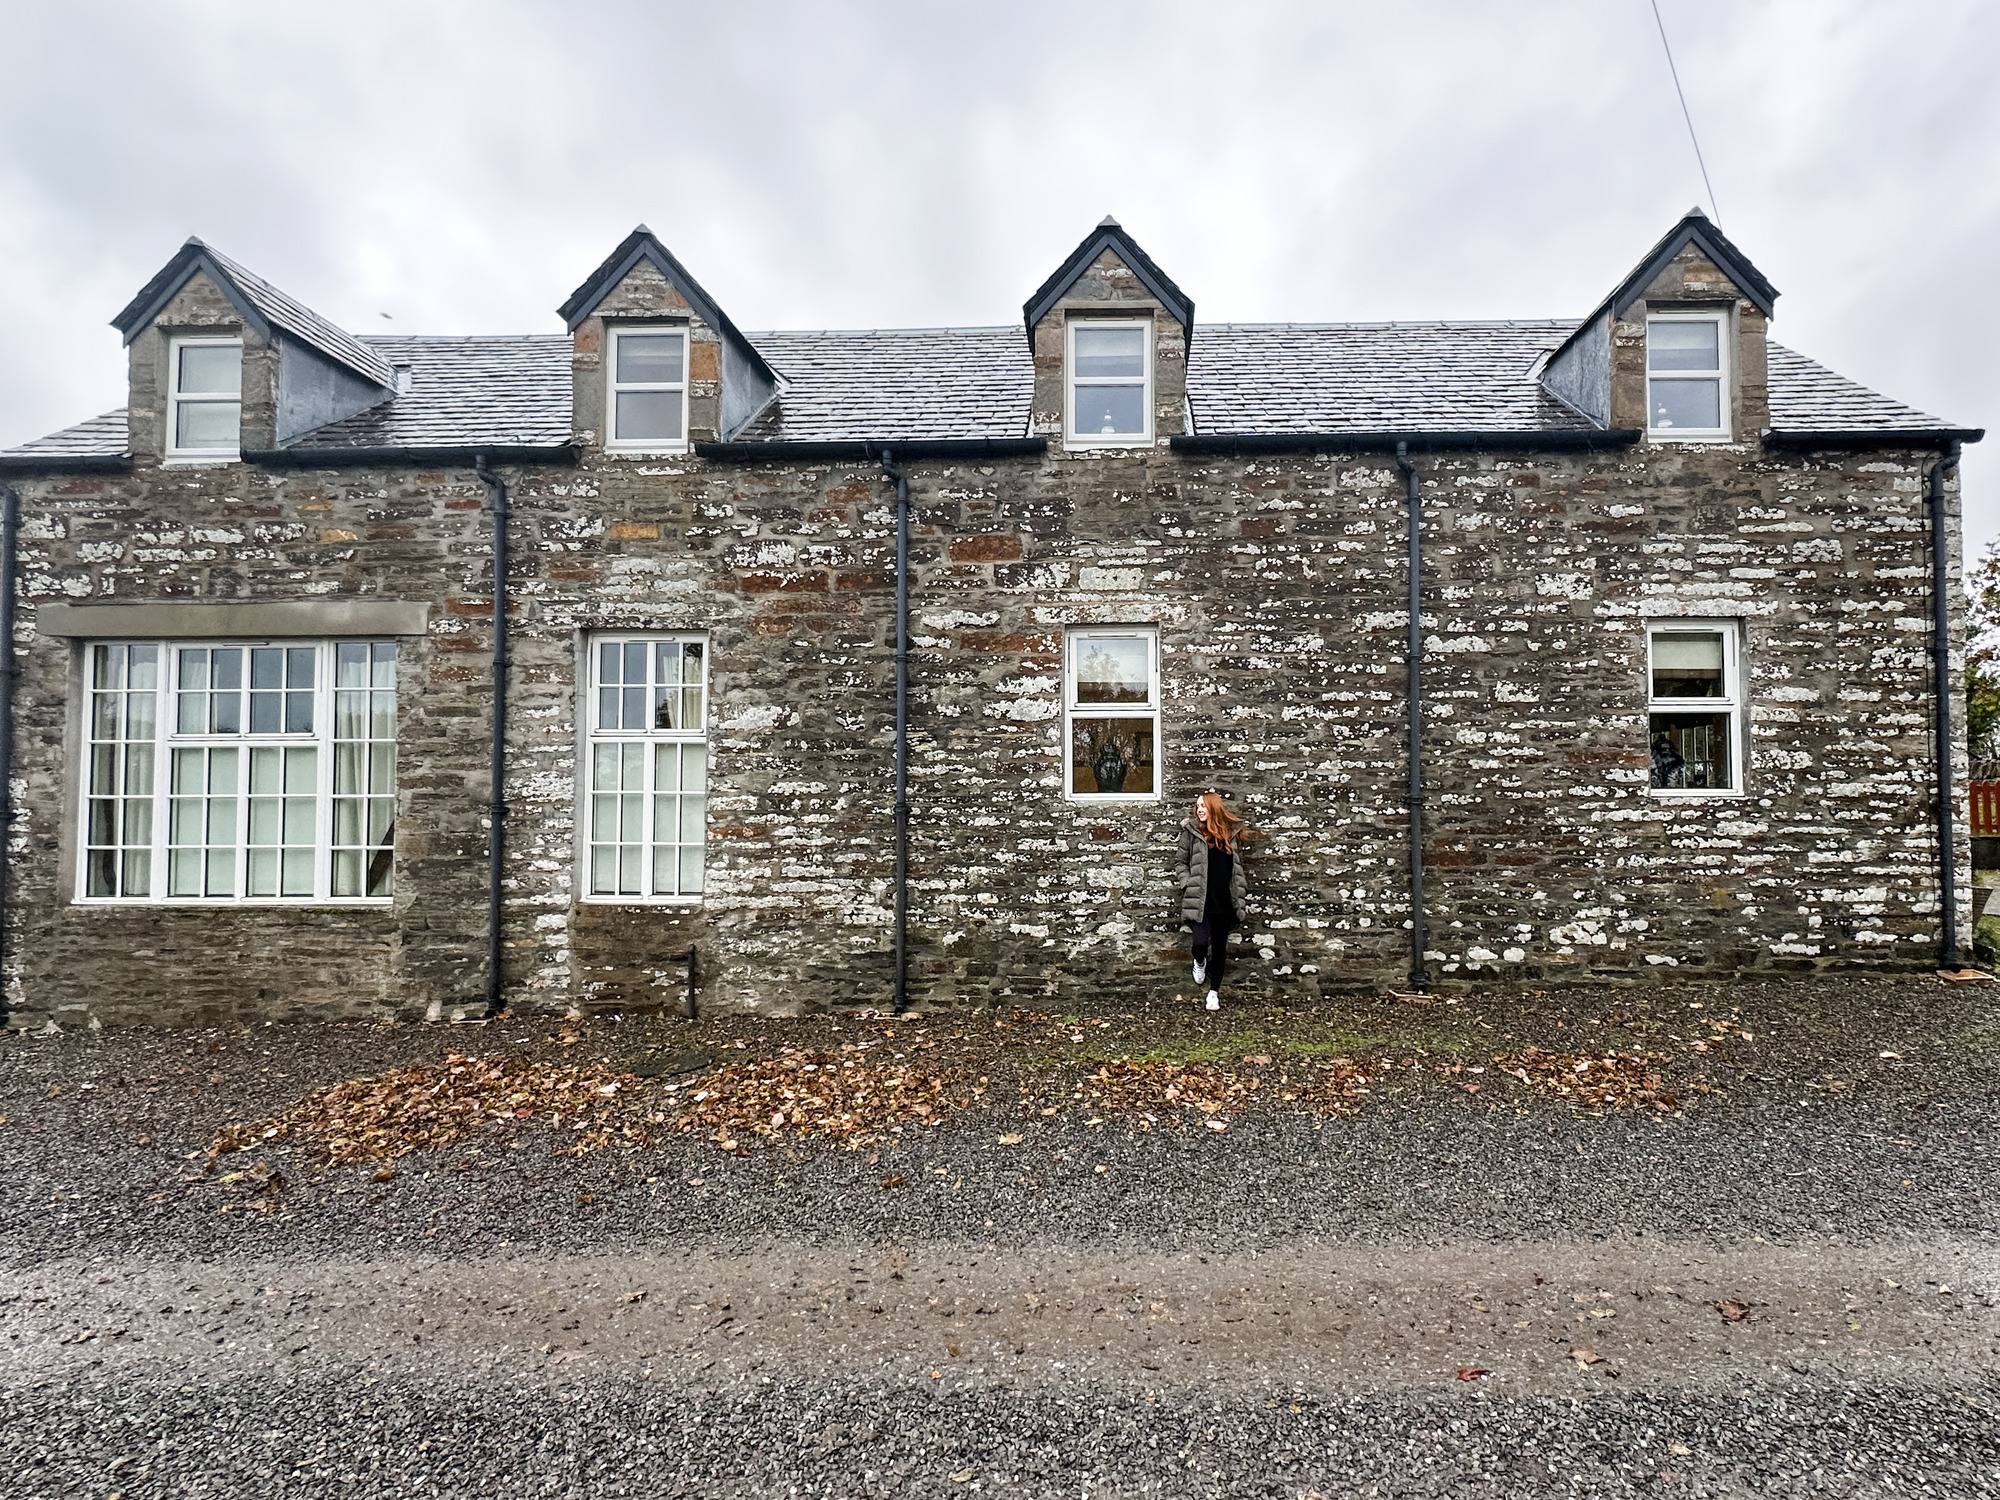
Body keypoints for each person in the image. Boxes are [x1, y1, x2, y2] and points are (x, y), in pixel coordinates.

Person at [1175, 791, 1251, 1011]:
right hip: (1200, 900)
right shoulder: (1191, 832)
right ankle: (1199, 962)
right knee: (1199, 943)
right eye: (1197, 806)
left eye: (1203, 806)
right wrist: (1187, 882)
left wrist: (1239, 892)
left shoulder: (1231, 834)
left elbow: (1237, 868)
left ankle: (1213, 993)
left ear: (1214, 808)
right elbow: (1180, 862)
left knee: (1219, 949)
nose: (1199, 810)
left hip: (1225, 901)